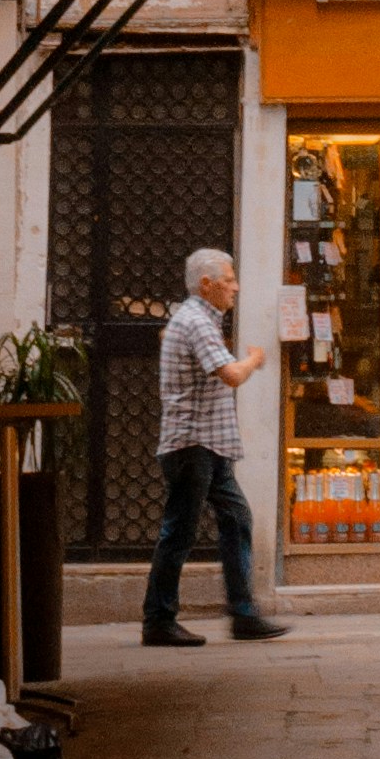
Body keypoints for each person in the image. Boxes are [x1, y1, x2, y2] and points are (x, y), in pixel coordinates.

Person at [142, 247, 291, 646]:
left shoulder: (194, 320)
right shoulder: (196, 322)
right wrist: (254, 360)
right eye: (228, 280)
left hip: (207, 445)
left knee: (235, 519)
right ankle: (159, 619)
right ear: (206, 285)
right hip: (193, 444)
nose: (236, 287)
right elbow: (229, 375)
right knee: (180, 532)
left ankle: (243, 614)